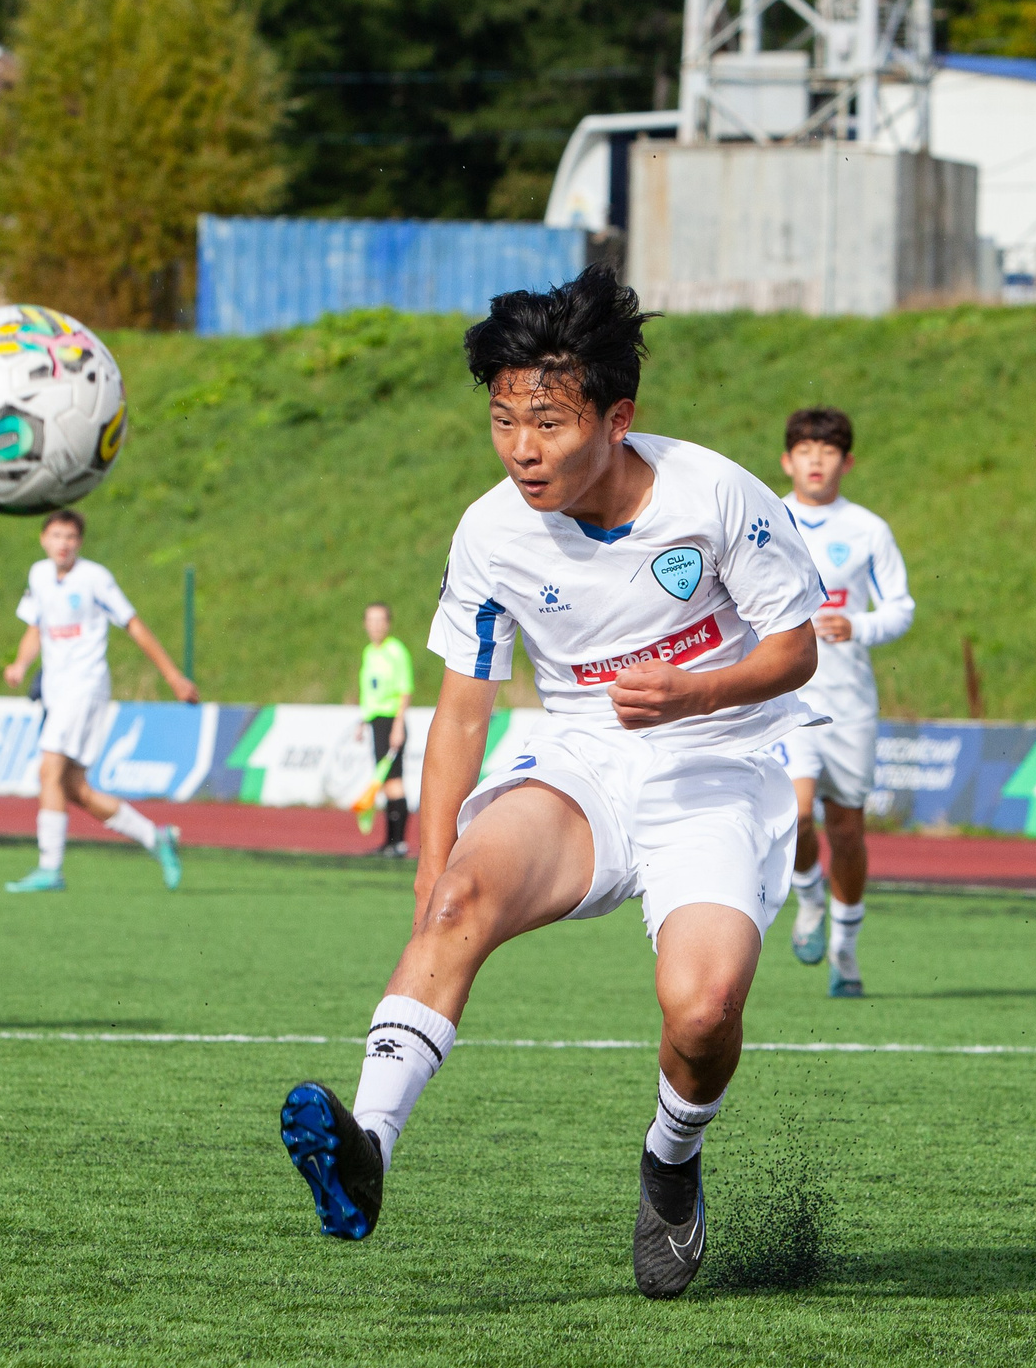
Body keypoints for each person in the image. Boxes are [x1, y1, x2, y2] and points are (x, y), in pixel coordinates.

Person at [277, 266, 823, 1300]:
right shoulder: (490, 532)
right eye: (501, 420)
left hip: (718, 760)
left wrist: (696, 693)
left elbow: (795, 651)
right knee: (463, 894)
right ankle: (369, 1148)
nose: (522, 448)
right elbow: (464, 709)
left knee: (702, 1011)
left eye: (547, 421)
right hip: (579, 756)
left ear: (617, 419)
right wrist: (435, 869)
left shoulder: (713, 496)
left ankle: (670, 1158)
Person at [776, 406, 914, 997]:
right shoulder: (768, 519)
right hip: (786, 697)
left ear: (846, 462)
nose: (816, 460)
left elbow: (902, 608)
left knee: (849, 830)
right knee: (796, 813)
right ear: (787, 461)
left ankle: (846, 948)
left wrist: (855, 626)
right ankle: (809, 899)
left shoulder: (868, 530)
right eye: (805, 450)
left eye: (828, 451)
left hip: (851, 702)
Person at [0, 509, 199, 892]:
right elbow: (35, 628)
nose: (63, 544)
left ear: (80, 543)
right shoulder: (38, 575)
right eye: (56, 535)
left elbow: (134, 625)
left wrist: (173, 676)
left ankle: (50, 868)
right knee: (74, 788)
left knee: (48, 769)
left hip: (85, 686)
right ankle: (155, 837)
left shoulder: (95, 579)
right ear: (43, 539)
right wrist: (21, 664)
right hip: (57, 692)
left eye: (70, 537)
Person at [358, 602, 414, 857]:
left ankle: (399, 842)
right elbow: (370, 693)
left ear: (388, 623)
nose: (376, 626)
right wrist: (363, 722)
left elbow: (404, 691)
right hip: (377, 722)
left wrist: (398, 726)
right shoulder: (369, 652)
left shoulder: (396, 651)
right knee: (384, 783)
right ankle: (389, 842)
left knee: (394, 782)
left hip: (392, 721)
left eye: (380, 620)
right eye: (371, 620)